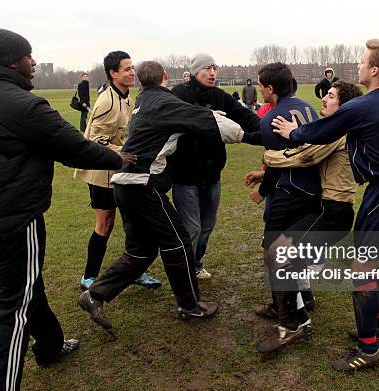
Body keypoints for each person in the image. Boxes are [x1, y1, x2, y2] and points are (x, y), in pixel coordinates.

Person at [0, 28, 133, 391]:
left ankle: (49, 345)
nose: (34, 62)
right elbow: (74, 148)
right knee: (14, 306)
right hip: (17, 217)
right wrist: (118, 158)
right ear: (12, 61)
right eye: (29, 56)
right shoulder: (25, 105)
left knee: (28, 280)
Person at [272, 39, 379, 371]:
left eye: (362, 62)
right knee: (376, 260)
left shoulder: (362, 106)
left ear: (375, 70)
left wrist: (295, 131)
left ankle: (368, 349)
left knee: (362, 269)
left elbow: (319, 132)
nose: (358, 65)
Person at [78, 61, 248, 329]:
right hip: (142, 185)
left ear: (141, 82)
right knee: (178, 241)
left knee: (141, 252)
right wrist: (252, 135)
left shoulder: (142, 102)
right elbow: (213, 124)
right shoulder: (162, 102)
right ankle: (190, 306)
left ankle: (95, 294)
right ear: (165, 77)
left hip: (124, 184)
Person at [256, 80, 363, 352]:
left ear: (344, 104)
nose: (323, 100)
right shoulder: (335, 129)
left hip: (334, 213)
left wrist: (271, 156)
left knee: (281, 255)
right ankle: (296, 312)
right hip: (326, 210)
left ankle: (295, 323)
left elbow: (304, 156)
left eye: (330, 96)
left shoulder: (339, 132)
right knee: (281, 254)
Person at [241, 63, 320, 353]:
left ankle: (292, 322)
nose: (260, 90)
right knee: (291, 252)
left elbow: (275, 163)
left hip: (289, 194)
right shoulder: (309, 108)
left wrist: (262, 191)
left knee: (273, 254)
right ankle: (296, 302)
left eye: (262, 86)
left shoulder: (272, 118)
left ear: (270, 88)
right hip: (314, 192)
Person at [74, 51, 162, 291]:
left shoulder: (127, 97)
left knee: (133, 222)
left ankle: (137, 271)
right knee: (105, 223)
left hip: (122, 171)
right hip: (101, 173)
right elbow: (95, 140)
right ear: (113, 73)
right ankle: (89, 276)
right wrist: (122, 152)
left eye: (133, 67)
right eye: (126, 69)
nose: (132, 72)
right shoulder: (106, 100)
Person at [169, 53, 261, 279]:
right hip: (185, 175)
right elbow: (178, 120)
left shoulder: (220, 96)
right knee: (192, 228)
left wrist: (266, 130)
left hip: (212, 174)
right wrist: (208, 116)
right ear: (194, 71)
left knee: (207, 226)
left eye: (214, 68)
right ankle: (185, 274)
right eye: (207, 68)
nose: (212, 73)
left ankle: (196, 262)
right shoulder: (179, 95)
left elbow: (243, 116)